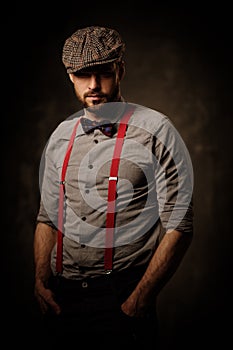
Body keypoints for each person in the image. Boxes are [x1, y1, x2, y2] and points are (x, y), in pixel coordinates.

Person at [34, 25, 194, 347]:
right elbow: (48, 218)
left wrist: (138, 300)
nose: (93, 86)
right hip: (61, 299)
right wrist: (39, 279)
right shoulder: (60, 137)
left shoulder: (157, 130)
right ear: (70, 76)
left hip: (121, 296)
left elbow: (180, 225)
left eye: (103, 73)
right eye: (82, 75)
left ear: (120, 70)